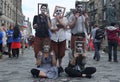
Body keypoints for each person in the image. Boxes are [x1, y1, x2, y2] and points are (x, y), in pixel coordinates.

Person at [50, 6, 68, 72]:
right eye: (57, 11)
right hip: (54, 38)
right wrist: (56, 28)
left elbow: (65, 26)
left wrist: (59, 20)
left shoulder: (65, 18)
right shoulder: (52, 20)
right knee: (55, 52)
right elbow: (51, 29)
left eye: (59, 11)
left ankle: (60, 65)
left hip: (62, 38)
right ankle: (54, 65)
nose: (58, 13)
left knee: (61, 53)